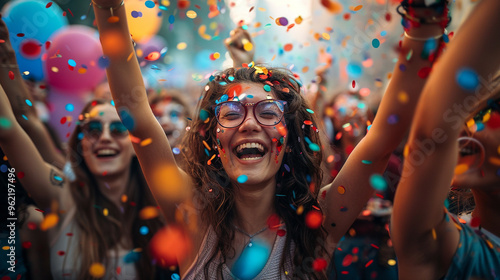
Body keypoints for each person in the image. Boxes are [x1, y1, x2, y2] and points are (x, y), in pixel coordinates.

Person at [91, 0, 450, 278]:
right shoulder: (191, 216)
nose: (249, 124)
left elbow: (383, 136)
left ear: (290, 139)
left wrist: (424, 22)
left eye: (268, 112)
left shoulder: (321, 222)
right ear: (213, 139)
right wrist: (108, 8)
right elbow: (137, 119)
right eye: (231, 113)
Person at [390, 0, 500, 279]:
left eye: (495, 114)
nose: (468, 128)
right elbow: (432, 134)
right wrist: (427, 13)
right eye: (477, 111)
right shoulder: (446, 250)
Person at [0, 93, 164, 279]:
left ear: (136, 146)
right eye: (93, 129)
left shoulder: (159, 207)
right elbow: (6, 128)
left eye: (118, 129)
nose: (105, 137)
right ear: (81, 143)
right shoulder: (61, 195)